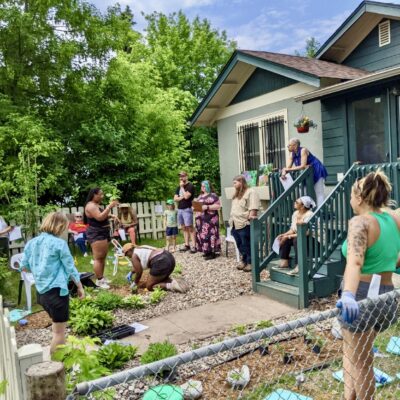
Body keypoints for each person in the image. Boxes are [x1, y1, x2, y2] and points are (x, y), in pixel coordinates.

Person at [336, 171, 400, 400]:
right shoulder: (392, 218)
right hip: (387, 297)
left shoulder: (360, 224)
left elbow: (354, 263)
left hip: (362, 297)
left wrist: (348, 295)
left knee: (362, 363)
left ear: (360, 198)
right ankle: (348, 397)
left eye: (352, 195)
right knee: (353, 352)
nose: (350, 199)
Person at [20, 212, 85, 354]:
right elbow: (70, 267)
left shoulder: (32, 243)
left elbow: (24, 266)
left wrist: (39, 268)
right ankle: (57, 366)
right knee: (59, 333)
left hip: (41, 294)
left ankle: (58, 362)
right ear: (60, 226)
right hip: (57, 293)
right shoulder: (59, 244)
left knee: (57, 329)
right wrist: (80, 286)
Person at [84, 188, 119, 289]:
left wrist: (111, 216)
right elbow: (99, 217)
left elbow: (100, 216)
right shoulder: (90, 206)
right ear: (94, 195)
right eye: (100, 194)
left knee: (103, 257)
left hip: (103, 232)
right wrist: (109, 207)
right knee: (98, 258)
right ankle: (99, 281)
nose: (102, 196)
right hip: (96, 233)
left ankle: (102, 278)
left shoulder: (95, 205)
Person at [122, 243, 188, 292]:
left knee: (149, 286)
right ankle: (177, 282)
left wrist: (135, 283)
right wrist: (131, 272)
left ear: (130, 250)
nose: (128, 256)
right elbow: (138, 267)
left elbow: (139, 272)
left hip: (161, 261)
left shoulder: (134, 255)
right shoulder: (140, 248)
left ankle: (172, 286)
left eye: (127, 254)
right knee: (160, 280)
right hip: (169, 257)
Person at [281, 138, 328, 207]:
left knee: (319, 192)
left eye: (289, 145)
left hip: (317, 170)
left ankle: (320, 214)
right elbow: (288, 167)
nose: (287, 147)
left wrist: (287, 169)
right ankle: (309, 211)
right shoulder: (292, 154)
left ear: (295, 145)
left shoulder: (303, 150)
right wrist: (284, 171)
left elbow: (302, 166)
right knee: (305, 193)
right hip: (307, 173)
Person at [277, 196, 315, 275]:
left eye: (297, 202)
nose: (294, 203)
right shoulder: (295, 213)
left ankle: (299, 266)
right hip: (300, 235)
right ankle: (284, 261)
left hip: (313, 238)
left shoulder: (310, 215)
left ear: (303, 206)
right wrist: (284, 235)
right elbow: (293, 229)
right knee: (286, 239)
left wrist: (289, 236)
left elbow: (306, 232)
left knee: (297, 240)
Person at [229, 175, 260, 272]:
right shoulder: (236, 194)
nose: (234, 185)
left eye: (235, 182)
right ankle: (244, 260)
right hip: (235, 223)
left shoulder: (251, 192)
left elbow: (253, 207)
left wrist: (249, 220)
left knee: (246, 243)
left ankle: (251, 262)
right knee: (240, 244)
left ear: (241, 182)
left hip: (244, 223)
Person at [194, 180, 221, 260]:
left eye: (204, 186)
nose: (203, 188)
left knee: (210, 234)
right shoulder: (200, 196)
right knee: (203, 234)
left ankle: (212, 252)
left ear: (208, 186)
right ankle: (207, 251)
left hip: (210, 219)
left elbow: (218, 206)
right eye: (202, 186)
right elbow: (197, 206)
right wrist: (194, 207)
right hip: (200, 220)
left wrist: (208, 207)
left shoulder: (213, 195)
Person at [174, 171, 196, 253]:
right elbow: (175, 199)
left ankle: (194, 246)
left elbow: (187, 197)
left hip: (187, 209)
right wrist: (181, 196)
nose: (181, 178)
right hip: (180, 209)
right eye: (180, 176)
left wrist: (182, 188)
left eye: (183, 176)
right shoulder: (178, 187)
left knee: (190, 227)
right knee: (184, 228)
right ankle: (187, 245)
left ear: (187, 176)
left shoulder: (190, 186)